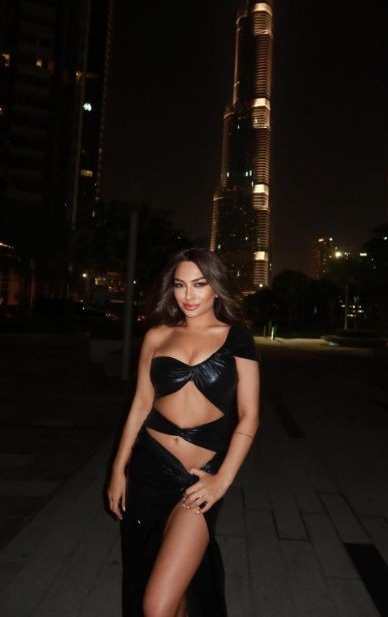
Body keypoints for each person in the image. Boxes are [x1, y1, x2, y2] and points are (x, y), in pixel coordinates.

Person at [107, 247, 260, 617]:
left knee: (156, 605)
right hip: (148, 469)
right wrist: (118, 468)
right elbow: (141, 404)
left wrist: (221, 480)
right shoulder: (158, 336)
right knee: (153, 580)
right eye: (180, 285)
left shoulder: (236, 339)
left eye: (199, 284)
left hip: (198, 479)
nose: (188, 295)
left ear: (216, 287)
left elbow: (249, 416)